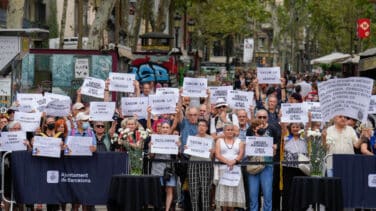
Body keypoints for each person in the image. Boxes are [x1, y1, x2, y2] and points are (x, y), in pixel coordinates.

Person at [149, 121, 180, 211]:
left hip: (169, 168)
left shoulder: (174, 139)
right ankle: (158, 208)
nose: (165, 129)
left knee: (169, 190)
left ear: (170, 129)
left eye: (167, 127)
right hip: (157, 168)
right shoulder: (154, 139)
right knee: (157, 190)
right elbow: (151, 156)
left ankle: (167, 209)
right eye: (163, 127)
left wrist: (178, 148)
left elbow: (177, 156)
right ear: (160, 129)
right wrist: (151, 147)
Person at [215, 123, 246, 210]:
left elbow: (241, 154)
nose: (230, 131)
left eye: (232, 130)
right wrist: (228, 162)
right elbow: (217, 154)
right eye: (228, 130)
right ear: (224, 132)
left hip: (235, 171)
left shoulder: (239, 141)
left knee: (233, 194)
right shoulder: (219, 141)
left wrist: (234, 161)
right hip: (223, 170)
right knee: (224, 194)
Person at [185, 119, 214, 211]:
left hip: (206, 165)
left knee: (205, 190)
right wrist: (187, 149)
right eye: (199, 125)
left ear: (206, 128)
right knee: (193, 190)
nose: (201, 127)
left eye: (203, 126)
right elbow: (189, 154)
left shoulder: (210, 139)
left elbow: (212, 155)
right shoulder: (192, 139)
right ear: (197, 127)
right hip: (193, 164)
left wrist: (212, 152)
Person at [280, 122, 308, 211]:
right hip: (288, 168)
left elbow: (308, 128)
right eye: (293, 127)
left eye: (297, 127)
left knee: (301, 190)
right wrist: (282, 119)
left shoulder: (305, 139)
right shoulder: (286, 138)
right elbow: (283, 127)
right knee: (287, 190)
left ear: (301, 128)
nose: (295, 129)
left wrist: (309, 119)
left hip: (302, 168)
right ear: (290, 128)